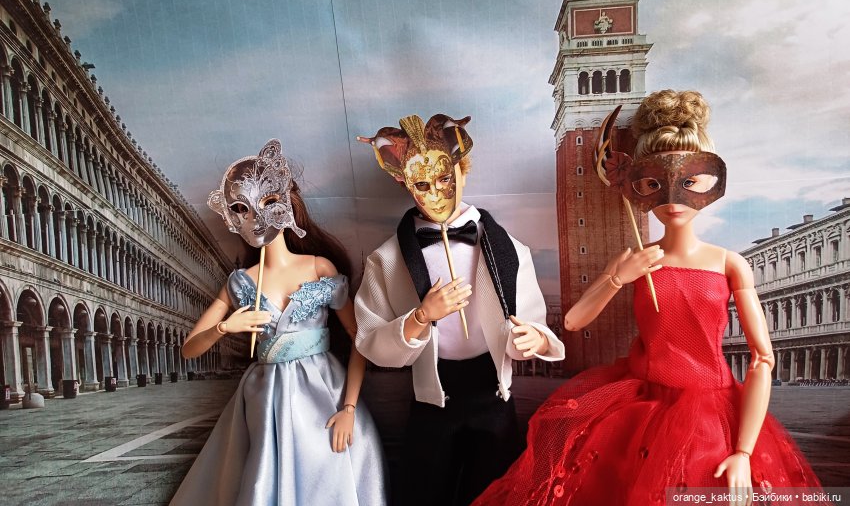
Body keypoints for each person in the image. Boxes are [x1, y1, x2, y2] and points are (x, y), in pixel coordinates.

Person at [473, 90, 826, 505]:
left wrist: (744, 451)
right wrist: (617, 277)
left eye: (689, 182)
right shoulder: (635, 258)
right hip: (641, 399)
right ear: (637, 186)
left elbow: (763, 358)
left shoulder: (729, 263)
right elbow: (572, 322)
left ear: (710, 183)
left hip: (711, 408)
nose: (673, 198)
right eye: (655, 184)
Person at [354, 113, 565, 506]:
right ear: (404, 182)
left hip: (493, 394)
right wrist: (421, 317)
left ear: (461, 170)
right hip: (432, 398)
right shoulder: (386, 260)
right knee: (425, 490)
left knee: (496, 490)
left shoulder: (510, 249)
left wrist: (533, 338)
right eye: (422, 184)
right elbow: (371, 342)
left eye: (443, 178)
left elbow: (532, 318)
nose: (435, 192)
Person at [170, 139, 386, 506]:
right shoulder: (240, 282)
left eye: (268, 202)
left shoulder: (318, 268)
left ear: (287, 203)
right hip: (265, 394)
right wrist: (224, 328)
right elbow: (189, 349)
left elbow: (358, 338)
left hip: (322, 391)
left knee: (327, 474)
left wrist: (349, 407)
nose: (255, 217)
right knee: (264, 473)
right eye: (241, 209)